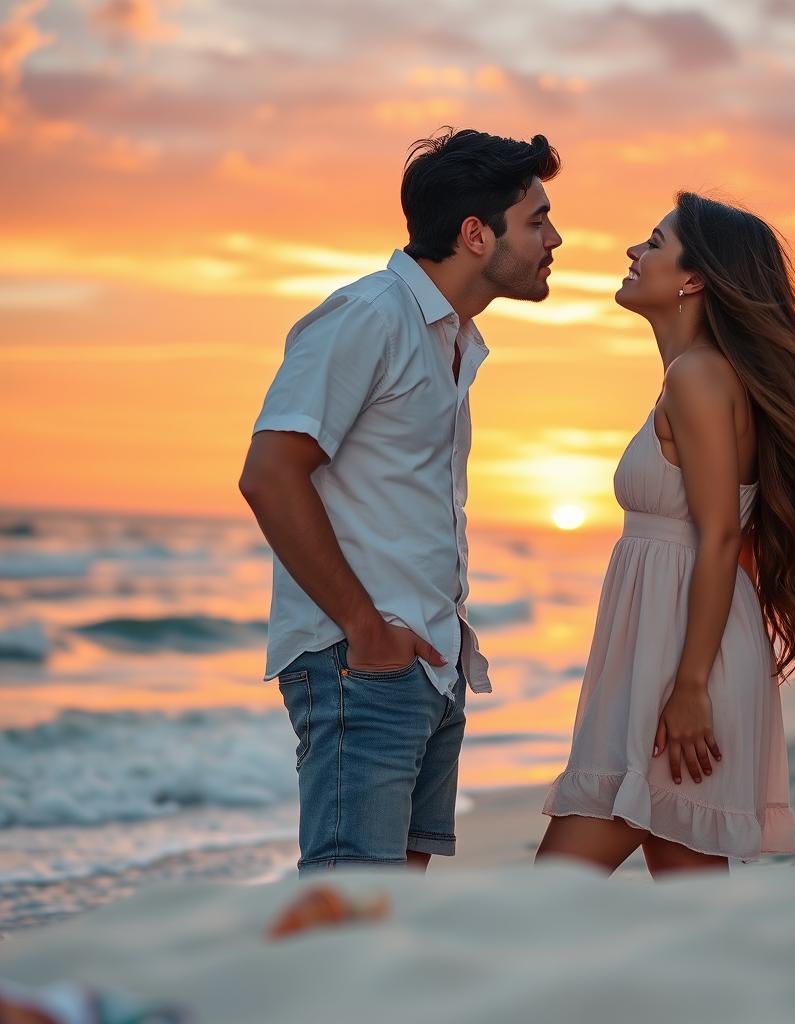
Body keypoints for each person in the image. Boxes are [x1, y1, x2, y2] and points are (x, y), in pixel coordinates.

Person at [539, 192, 795, 875]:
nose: (632, 253)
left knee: (552, 893)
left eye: (652, 242)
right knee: (691, 907)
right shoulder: (698, 378)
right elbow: (736, 538)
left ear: (693, 278)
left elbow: (720, 539)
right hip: (671, 658)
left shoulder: (698, 378)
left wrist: (693, 686)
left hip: (679, 669)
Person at [239, 128, 562, 871]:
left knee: (392, 914)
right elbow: (270, 474)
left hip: (430, 662)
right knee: (349, 910)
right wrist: (365, 629)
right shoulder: (369, 316)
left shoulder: (455, 340)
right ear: (476, 235)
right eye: (537, 219)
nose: (555, 237)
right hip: (364, 662)